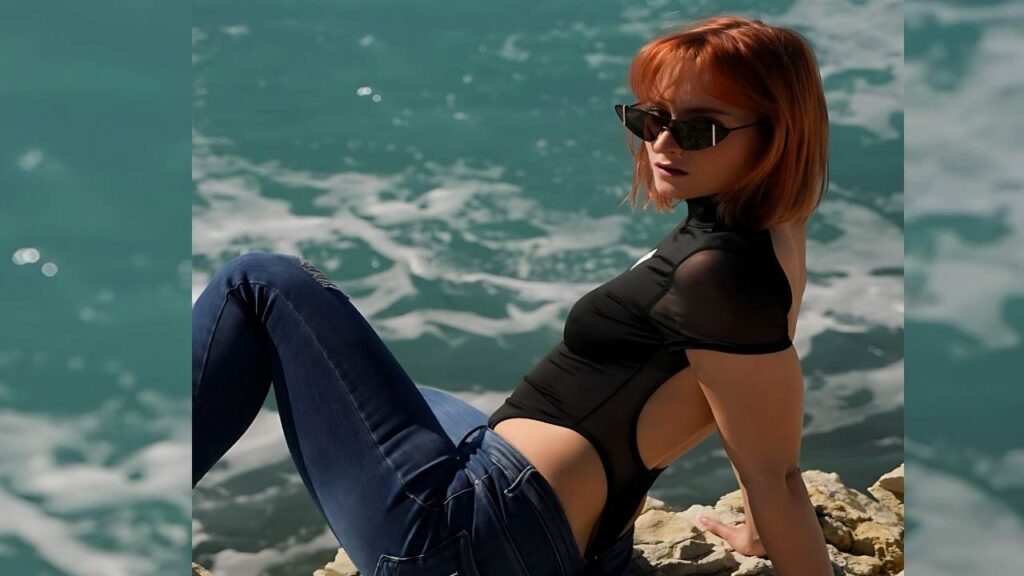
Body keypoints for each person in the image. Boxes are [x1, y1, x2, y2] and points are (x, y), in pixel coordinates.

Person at [192, 14, 831, 576]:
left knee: (259, 281)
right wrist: (753, 533)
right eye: (651, 118)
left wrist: (774, 527)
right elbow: (750, 410)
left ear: (775, 134)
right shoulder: (776, 235)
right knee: (416, 399)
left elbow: (775, 474)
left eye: (700, 130)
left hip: (463, 544)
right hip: (563, 539)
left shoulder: (717, 274)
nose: (662, 144)